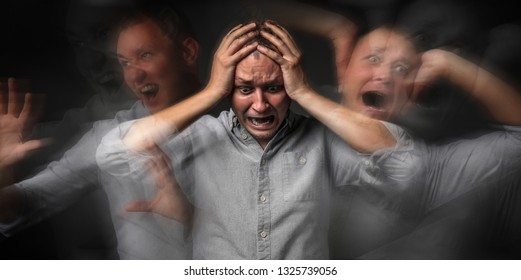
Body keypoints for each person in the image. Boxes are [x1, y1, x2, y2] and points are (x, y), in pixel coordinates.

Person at [96, 21, 417, 259]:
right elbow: (112, 153)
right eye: (245, 89)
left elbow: (403, 160)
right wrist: (211, 92)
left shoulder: (322, 142)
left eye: (274, 88)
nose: (260, 105)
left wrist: (305, 92)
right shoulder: (203, 136)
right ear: (228, 89)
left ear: (290, 86)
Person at [0, 1, 200, 259]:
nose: (134, 75)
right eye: (125, 63)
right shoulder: (109, 138)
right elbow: (23, 205)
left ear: (187, 52)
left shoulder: (245, 123)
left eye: (145, 55)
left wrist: (193, 219)